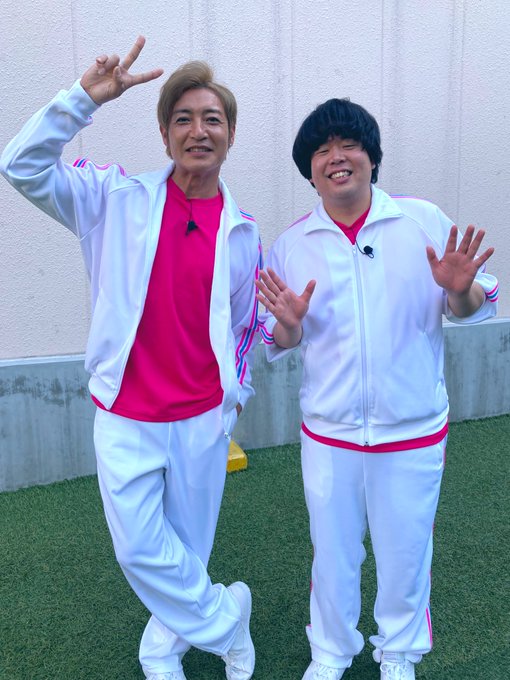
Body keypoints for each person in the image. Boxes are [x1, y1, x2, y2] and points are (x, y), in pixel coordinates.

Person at [1, 36, 260, 680]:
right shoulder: (113, 198)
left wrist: (235, 399)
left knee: (188, 551)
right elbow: (21, 166)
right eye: (183, 118)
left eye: (212, 119)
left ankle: (161, 650)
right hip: (127, 413)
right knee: (140, 549)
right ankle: (228, 620)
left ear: (230, 135)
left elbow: (241, 330)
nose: (198, 131)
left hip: (202, 417)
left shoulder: (244, 232)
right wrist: (81, 101)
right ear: (165, 134)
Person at [256, 98, 498, 680]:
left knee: (406, 551)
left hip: (412, 428)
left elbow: (469, 306)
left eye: (349, 145)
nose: (336, 157)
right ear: (309, 170)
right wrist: (288, 324)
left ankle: (398, 652)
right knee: (333, 552)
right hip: (330, 432)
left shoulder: (420, 221)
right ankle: (330, 652)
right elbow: (279, 338)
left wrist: (458, 290)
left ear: (371, 157)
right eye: (321, 150)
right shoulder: (291, 245)